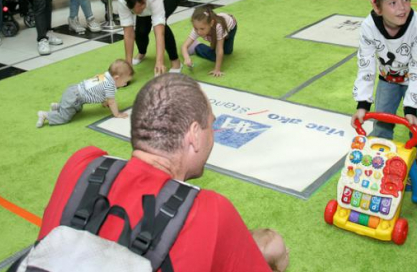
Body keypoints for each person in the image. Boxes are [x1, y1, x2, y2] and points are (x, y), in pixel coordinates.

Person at [38, 73, 272, 271]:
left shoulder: (82, 164)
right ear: (194, 135)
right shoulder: (213, 211)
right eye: (210, 123)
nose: (213, 133)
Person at [351, 0, 417, 165]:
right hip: (389, 77)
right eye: (393, 3)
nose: (402, 7)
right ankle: (379, 159)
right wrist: (362, 105)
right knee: (382, 118)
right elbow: (366, 65)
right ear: (377, 8)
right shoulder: (368, 27)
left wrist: (411, 108)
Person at [118, 0, 183, 75]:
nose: (137, 11)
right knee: (141, 31)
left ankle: (175, 61)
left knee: (164, 27)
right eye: (133, 9)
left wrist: (159, 62)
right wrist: (128, 65)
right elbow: (128, 33)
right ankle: (142, 52)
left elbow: (159, 32)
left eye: (139, 7)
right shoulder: (122, 0)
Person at [37, 59, 133, 127]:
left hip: (73, 90)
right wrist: (117, 114)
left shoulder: (104, 75)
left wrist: (104, 101)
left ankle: (59, 106)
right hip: (75, 98)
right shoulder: (110, 86)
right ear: (116, 78)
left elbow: (97, 89)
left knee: (78, 110)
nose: (125, 84)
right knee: (65, 118)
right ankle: (45, 115)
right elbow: (112, 102)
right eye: (124, 81)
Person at [181, 4, 237, 77]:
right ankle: (196, 46)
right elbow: (184, 46)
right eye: (196, 28)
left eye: (202, 29)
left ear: (211, 23)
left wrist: (217, 69)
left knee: (227, 51)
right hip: (215, 29)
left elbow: (219, 50)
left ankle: (198, 46)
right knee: (215, 56)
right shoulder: (198, 27)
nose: (199, 32)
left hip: (231, 27)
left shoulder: (218, 27)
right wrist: (186, 58)